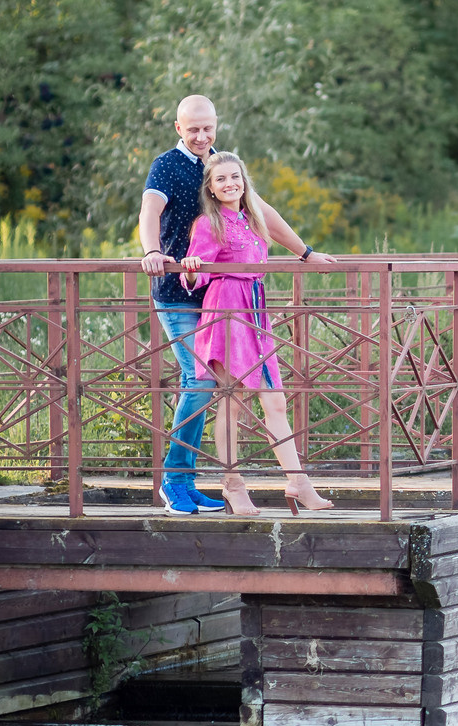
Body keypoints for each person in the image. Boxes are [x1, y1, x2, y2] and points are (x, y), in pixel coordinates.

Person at [136, 95, 327, 515]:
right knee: (200, 382)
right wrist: (151, 251)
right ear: (178, 128)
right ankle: (175, 480)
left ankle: (196, 482)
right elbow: (150, 209)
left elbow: (262, 211)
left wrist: (304, 252)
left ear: (216, 125)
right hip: (179, 291)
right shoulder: (167, 165)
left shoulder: (219, 164)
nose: (202, 136)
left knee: (222, 390)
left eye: (208, 128)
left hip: (223, 301)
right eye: (193, 129)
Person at [182, 151, 335, 515]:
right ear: (211, 188)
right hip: (226, 311)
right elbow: (195, 275)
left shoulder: (253, 219)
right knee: (232, 401)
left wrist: (308, 254)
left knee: (275, 401)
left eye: (235, 177)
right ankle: (233, 485)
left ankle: (298, 482)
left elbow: (275, 244)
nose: (229, 184)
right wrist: (190, 269)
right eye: (221, 179)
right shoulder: (208, 223)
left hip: (255, 311)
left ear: (244, 181)